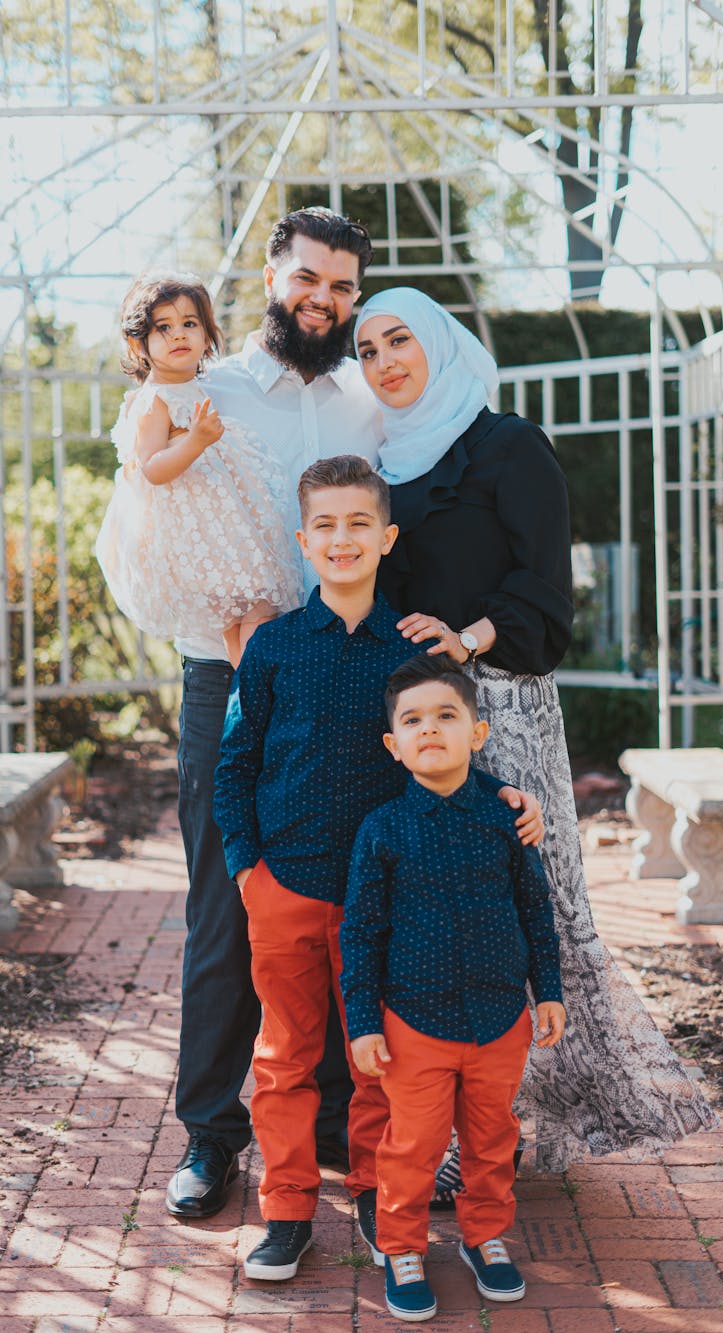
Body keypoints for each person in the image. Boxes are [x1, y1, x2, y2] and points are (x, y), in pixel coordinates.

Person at [353, 287, 718, 1187]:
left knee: (527, 901)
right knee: (427, 913)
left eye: (400, 338)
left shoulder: (507, 445)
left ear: (439, 343)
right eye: (366, 350)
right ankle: (446, 1133)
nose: (385, 360)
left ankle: (540, 1118)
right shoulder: (378, 461)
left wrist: (467, 638)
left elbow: (549, 591)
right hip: (412, 721)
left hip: (505, 702)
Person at [212, 456, 544, 1282]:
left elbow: (446, 748)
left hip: (392, 901)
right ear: (303, 540)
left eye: (359, 522)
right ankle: (286, 1210)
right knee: (286, 1058)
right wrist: (248, 871)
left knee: (377, 1060)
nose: (342, 538)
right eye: (324, 524)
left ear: (387, 536)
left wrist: (508, 796)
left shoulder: (412, 650)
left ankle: (370, 1189)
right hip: (286, 884)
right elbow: (232, 766)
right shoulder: (274, 648)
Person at [160, 208, 384, 1220]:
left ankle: (335, 1120)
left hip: (345, 680)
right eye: (308, 278)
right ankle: (213, 1133)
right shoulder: (208, 389)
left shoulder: (362, 401)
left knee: (343, 903)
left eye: (341, 286)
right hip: (230, 679)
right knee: (228, 899)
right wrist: (223, 617)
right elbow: (154, 525)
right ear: (270, 274)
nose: (323, 299)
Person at [341, 654, 566, 1322]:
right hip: (414, 1021)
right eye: (412, 719)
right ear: (394, 743)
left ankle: (486, 1236)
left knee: (493, 1137)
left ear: (479, 731)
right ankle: (404, 1246)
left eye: (447, 714)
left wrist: (547, 989)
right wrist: (363, 1022)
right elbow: (361, 934)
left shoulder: (507, 820)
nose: (429, 728)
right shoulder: (382, 829)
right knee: (412, 1143)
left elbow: (535, 909)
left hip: (501, 1017)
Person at [96, 272, 302, 668]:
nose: (179, 336)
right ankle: (255, 687)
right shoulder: (154, 400)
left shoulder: (192, 388)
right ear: (139, 344)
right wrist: (196, 442)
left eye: (190, 324)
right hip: (200, 540)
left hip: (223, 532)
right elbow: (152, 468)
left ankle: (249, 690)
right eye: (164, 328)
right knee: (256, 605)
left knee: (247, 615)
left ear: (208, 336)